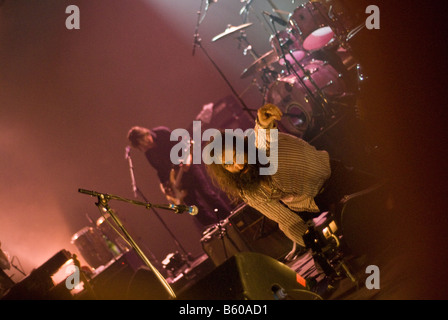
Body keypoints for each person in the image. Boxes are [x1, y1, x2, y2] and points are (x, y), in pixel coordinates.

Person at [204, 104, 376, 256]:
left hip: (333, 179)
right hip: (306, 205)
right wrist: (316, 245)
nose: (238, 165)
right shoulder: (248, 191)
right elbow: (285, 219)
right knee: (347, 248)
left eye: (237, 155)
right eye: (229, 165)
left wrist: (263, 122)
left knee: (382, 198)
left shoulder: (262, 150)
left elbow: (265, 136)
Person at [127, 125, 233, 230]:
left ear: (145, 134)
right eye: (143, 147)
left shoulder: (162, 133)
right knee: (195, 208)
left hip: (189, 169)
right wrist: (166, 189)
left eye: (146, 142)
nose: (147, 146)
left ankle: (231, 219)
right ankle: (215, 229)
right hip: (178, 181)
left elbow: (185, 146)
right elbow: (160, 172)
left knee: (208, 195)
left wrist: (187, 160)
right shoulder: (149, 154)